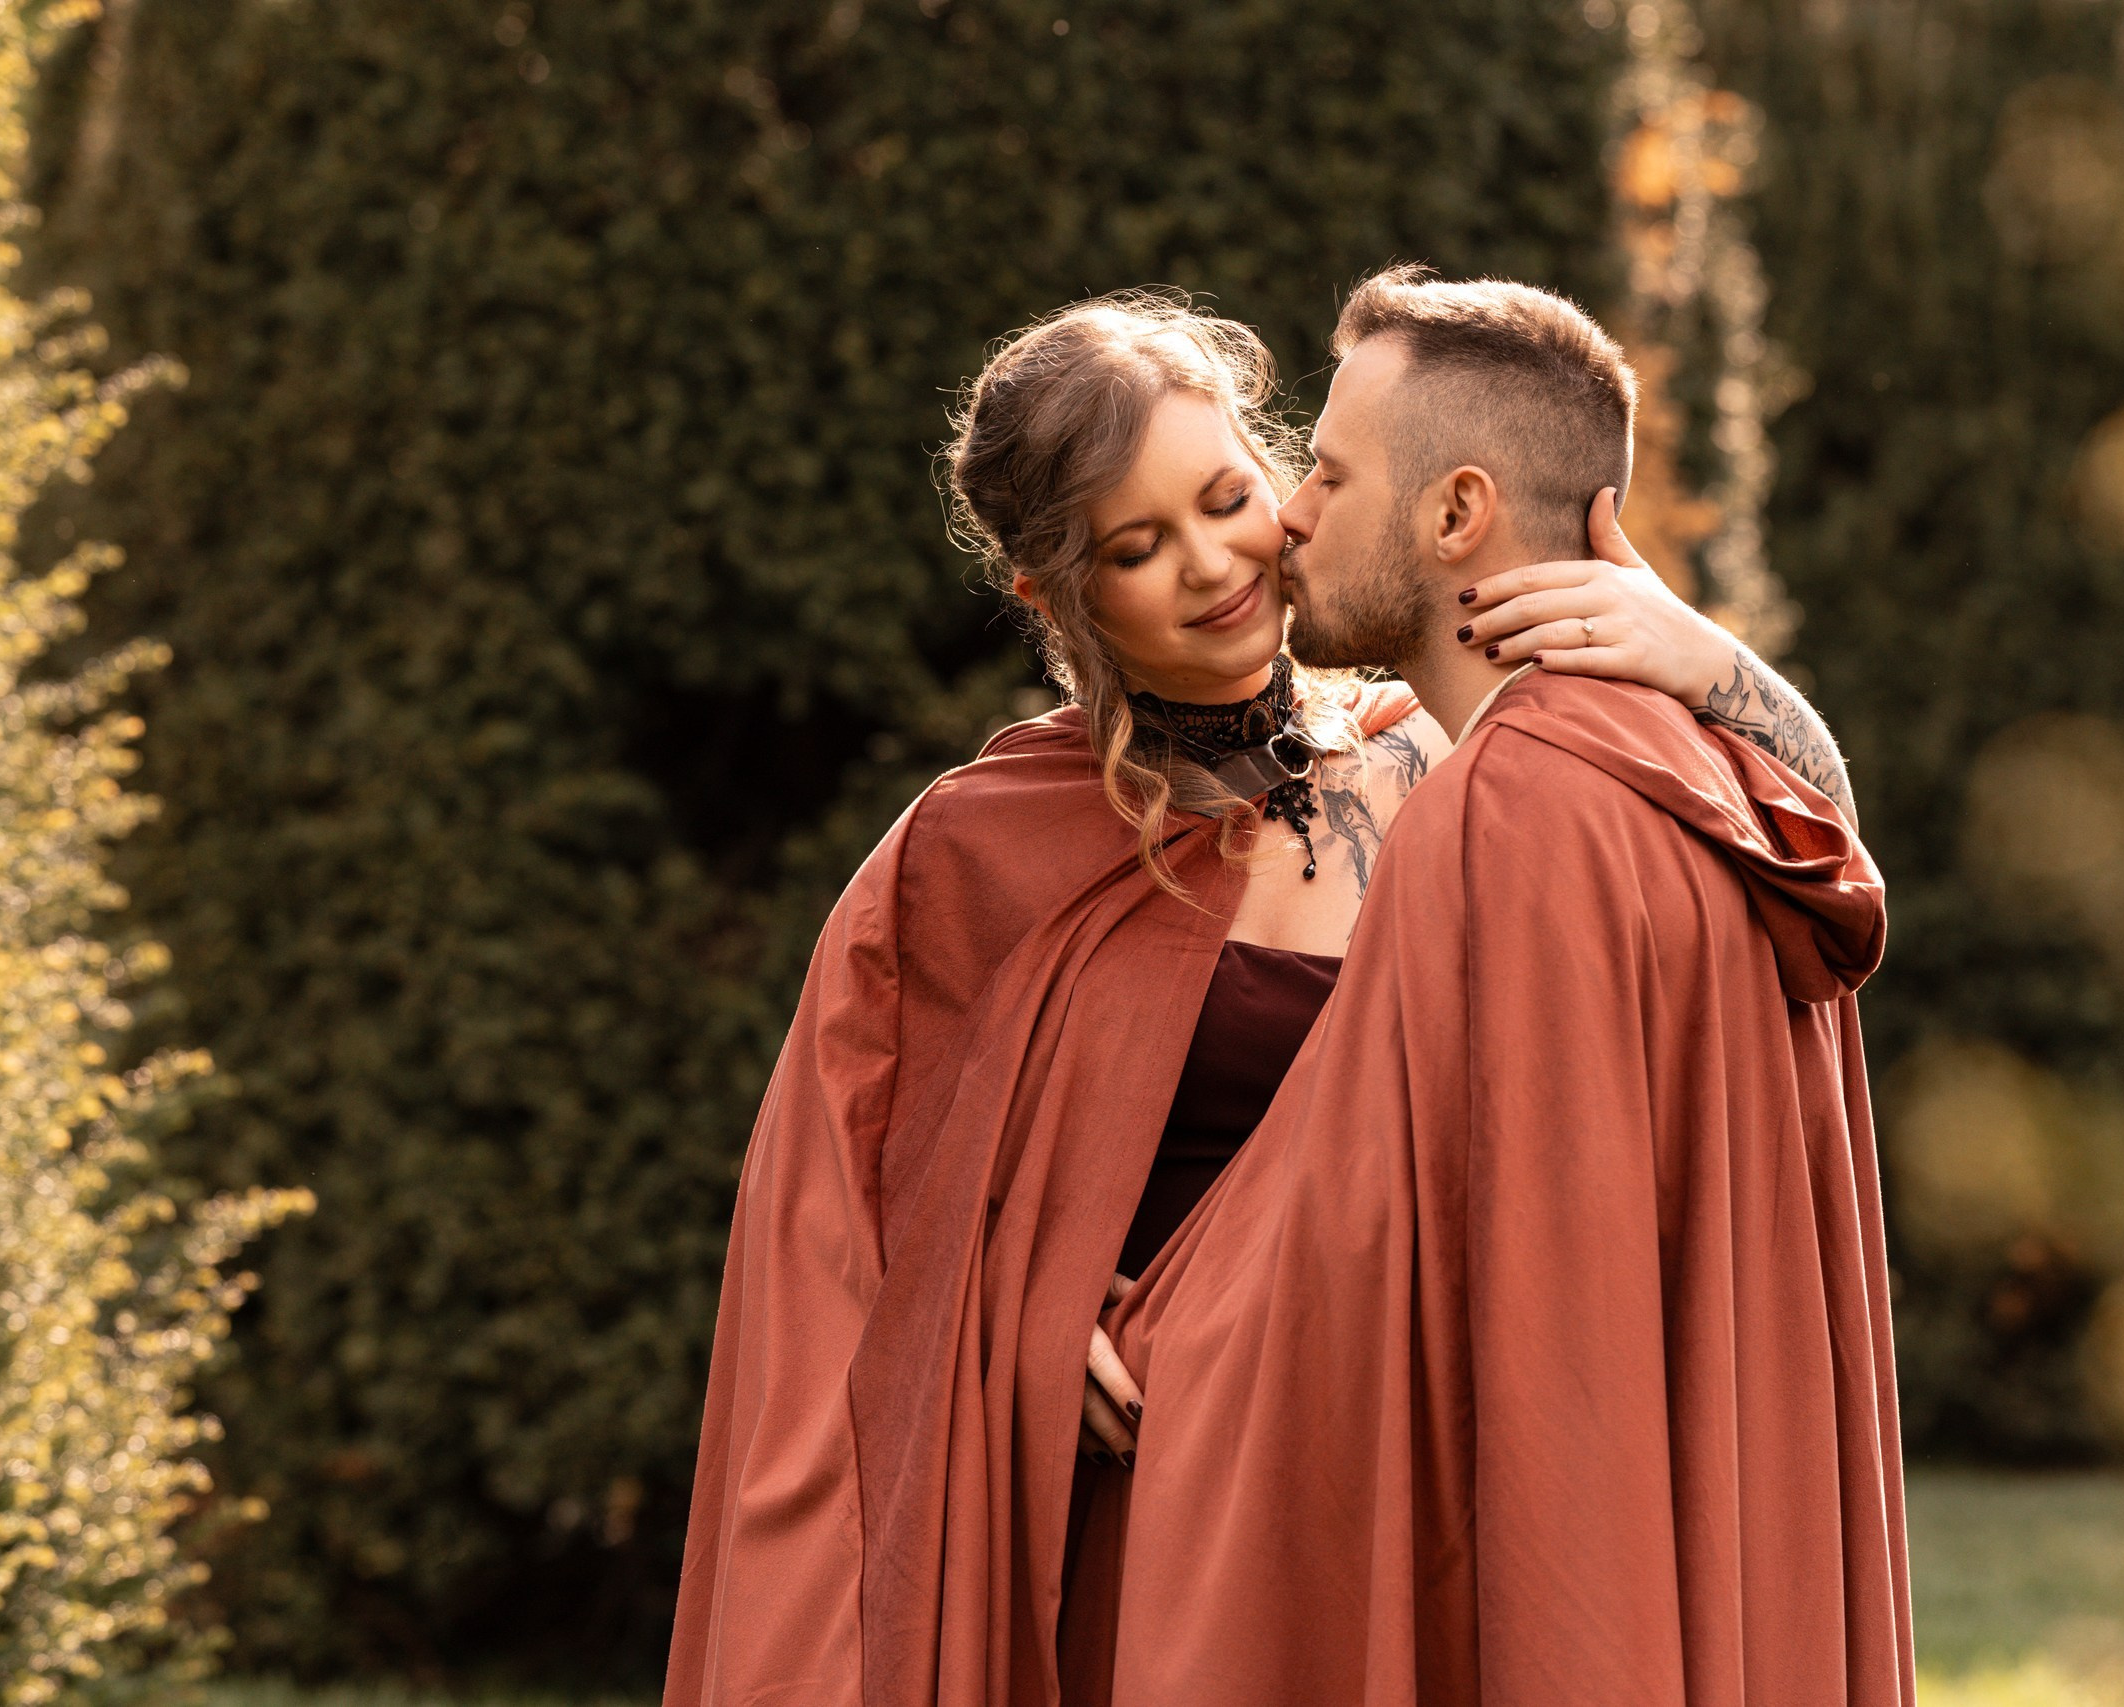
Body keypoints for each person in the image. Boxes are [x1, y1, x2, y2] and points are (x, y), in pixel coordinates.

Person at [661, 290, 1858, 1707]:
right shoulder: (975, 853)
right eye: (1135, 548)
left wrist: (1713, 662)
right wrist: (1024, 1321)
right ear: (1056, 597)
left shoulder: (1466, 763)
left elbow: (1783, 887)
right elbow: (845, 1243)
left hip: (1423, 1466)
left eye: (1232, 497)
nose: (1215, 563)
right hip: (1161, 1526)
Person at [1098, 269, 1911, 1706]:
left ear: (1456, 512)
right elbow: (1840, 860)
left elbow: (1345, 1235)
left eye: (1329, 477)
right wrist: (1727, 672)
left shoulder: (1499, 815)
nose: (1287, 517)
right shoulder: (1714, 769)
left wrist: (1110, 1327)